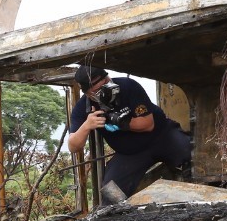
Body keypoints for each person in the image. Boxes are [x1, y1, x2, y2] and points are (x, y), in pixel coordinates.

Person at [66, 65, 191, 204]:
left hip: (162, 136)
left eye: (107, 83)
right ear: (89, 94)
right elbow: (73, 146)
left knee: (192, 156)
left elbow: (148, 125)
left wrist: (119, 121)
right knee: (111, 193)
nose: (107, 89)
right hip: (130, 154)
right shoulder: (83, 108)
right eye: (98, 90)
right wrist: (87, 125)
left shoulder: (128, 86)